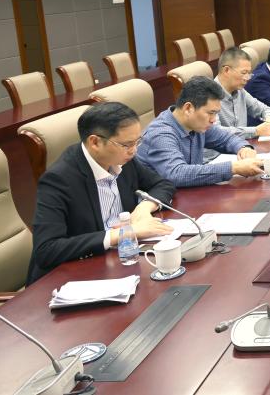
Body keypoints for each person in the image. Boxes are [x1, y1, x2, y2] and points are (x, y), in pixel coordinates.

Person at [28, 102, 176, 283]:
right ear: (95, 142)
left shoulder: (122, 159)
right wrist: (124, 234)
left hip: (120, 262)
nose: (134, 150)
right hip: (72, 278)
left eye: (137, 141)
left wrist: (144, 208)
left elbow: (162, 184)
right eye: (127, 144)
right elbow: (47, 250)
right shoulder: (58, 180)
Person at [137, 76, 264, 187]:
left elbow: (226, 138)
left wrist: (244, 148)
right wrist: (233, 168)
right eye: (211, 113)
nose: (213, 120)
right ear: (188, 108)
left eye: (216, 113)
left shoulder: (196, 124)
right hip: (161, 203)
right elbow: (177, 173)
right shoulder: (161, 134)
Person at [214, 47, 270, 140]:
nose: (248, 78)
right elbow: (216, 132)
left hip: (243, 146)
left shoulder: (240, 91)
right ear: (226, 70)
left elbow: (264, 109)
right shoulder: (209, 95)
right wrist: (256, 131)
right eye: (244, 73)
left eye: (249, 73)